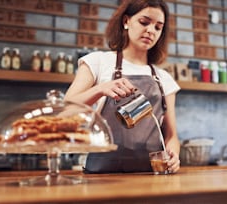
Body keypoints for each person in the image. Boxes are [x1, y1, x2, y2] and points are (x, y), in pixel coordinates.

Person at [64, 0, 180, 173]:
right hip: (102, 175)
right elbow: (66, 111)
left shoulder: (164, 78)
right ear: (126, 21)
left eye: (158, 27)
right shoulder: (98, 61)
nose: (151, 31)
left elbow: (171, 135)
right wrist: (100, 89)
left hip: (151, 175)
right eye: (144, 22)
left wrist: (174, 156)